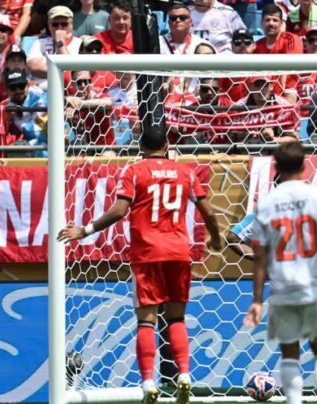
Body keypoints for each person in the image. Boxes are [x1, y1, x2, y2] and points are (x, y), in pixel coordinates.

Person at [58, 125, 222, 404]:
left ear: (141, 148)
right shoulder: (186, 173)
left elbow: (119, 211)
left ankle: (148, 383)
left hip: (148, 254)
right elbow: (208, 212)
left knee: (146, 321)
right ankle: (184, 376)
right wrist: (216, 239)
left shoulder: (134, 171)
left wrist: (84, 230)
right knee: (177, 319)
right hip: (179, 253)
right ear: (167, 147)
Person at [243, 141, 317, 404]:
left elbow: (259, 256)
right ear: (304, 166)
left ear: (276, 168)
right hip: (313, 285)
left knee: (290, 353)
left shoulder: (267, 203)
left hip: (282, 287)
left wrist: (257, 300)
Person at [28, 5, 81, 86]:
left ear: (71, 25)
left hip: (68, 90)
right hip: (42, 91)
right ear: (49, 25)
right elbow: (34, 67)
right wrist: (62, 71)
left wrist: (60, 43)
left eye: (64, 24)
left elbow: (71, 71)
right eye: (55, 25)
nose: (59, 28)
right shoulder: (39, 42)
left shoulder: (79, 43)